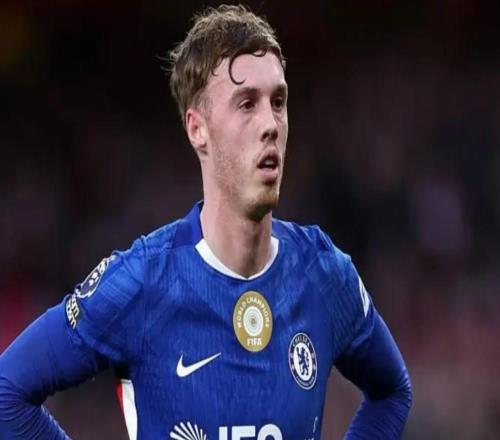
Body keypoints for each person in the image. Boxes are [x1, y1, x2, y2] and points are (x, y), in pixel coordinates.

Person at [0, 4, 412, 439]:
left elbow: (392, 391)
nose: (271, 124)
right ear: (198, 130)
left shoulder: (324, 275)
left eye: (278, 102)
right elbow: (8, 391)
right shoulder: (143, 282)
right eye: (247, 104)